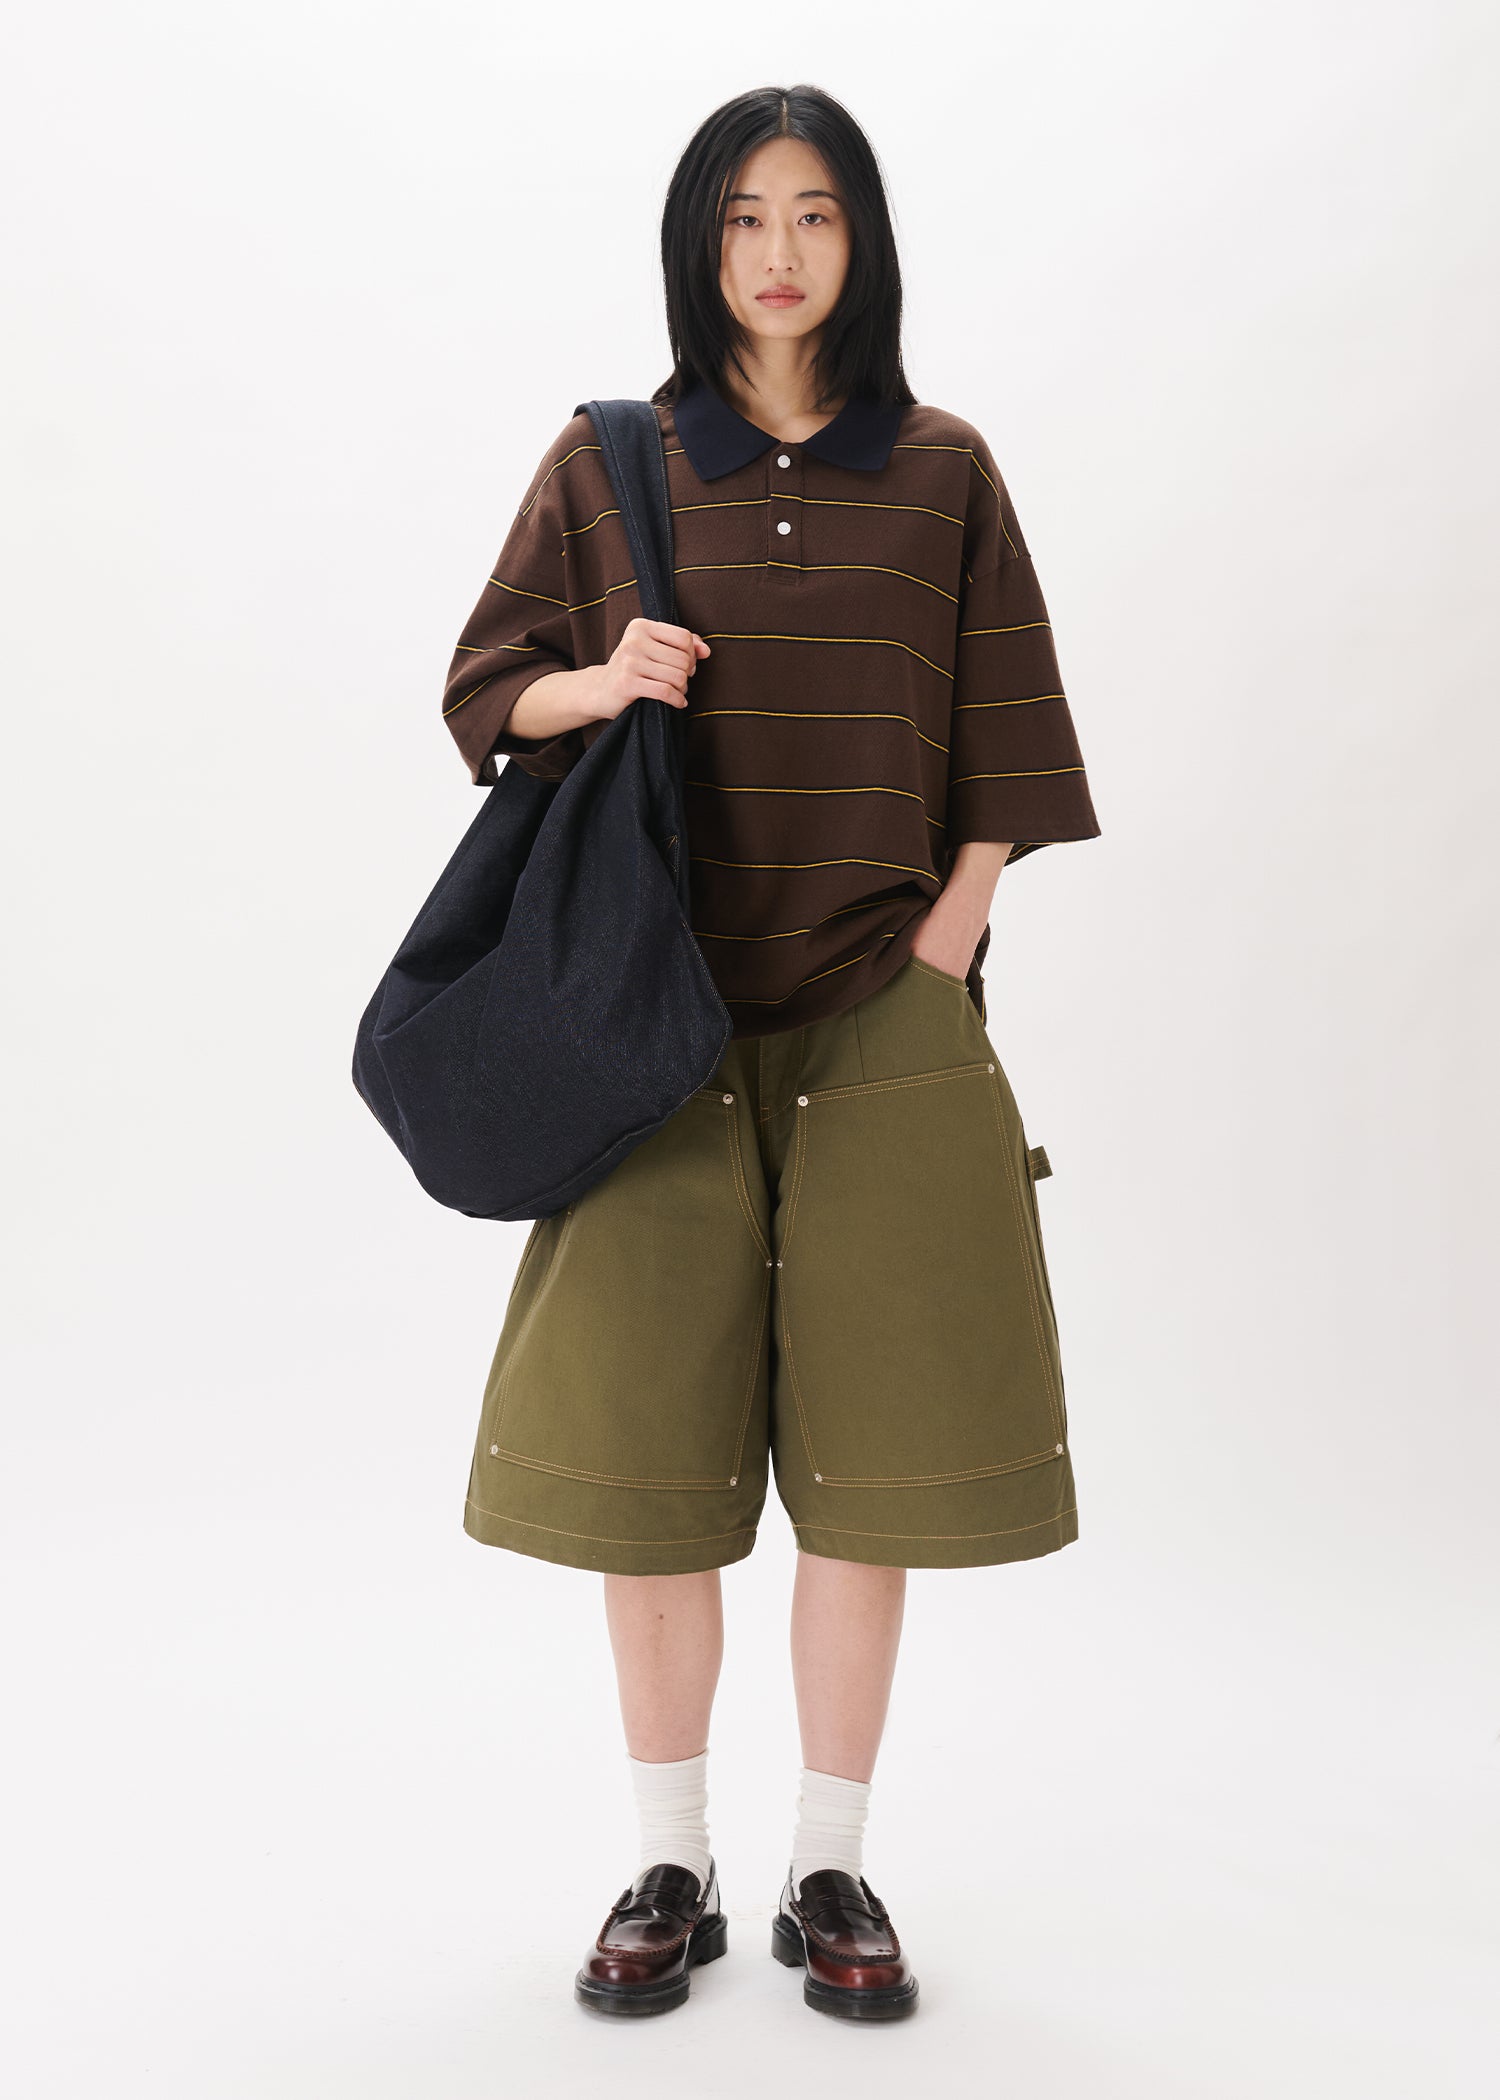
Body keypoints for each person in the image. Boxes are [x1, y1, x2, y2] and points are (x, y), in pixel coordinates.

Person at [439, 84, 1100, 2022]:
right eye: (745, 217)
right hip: (653, 1021)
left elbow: (1012, 728)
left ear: (861, 238)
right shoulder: (614, 461)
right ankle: (672, 1860)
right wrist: (603, 676)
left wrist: (950, 933)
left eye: (815, 214)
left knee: (875, 1465)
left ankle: (830, 1865)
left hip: (883, 1017)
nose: (781, 253)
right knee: (645, 1457)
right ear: (700, 244)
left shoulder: (945, 468)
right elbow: (484, 692)